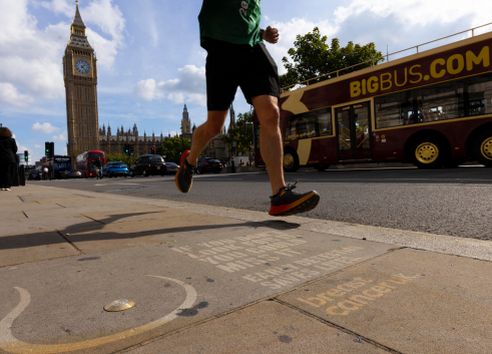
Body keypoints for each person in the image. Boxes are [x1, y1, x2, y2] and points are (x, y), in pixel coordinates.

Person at [175, 0, 320, 216]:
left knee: (271, 113)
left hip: (253, 48)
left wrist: (262, 34)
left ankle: (279, 195)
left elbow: (243, 18)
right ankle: (190, 160)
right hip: (221, 48)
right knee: (215, 125)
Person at [0, 127, 18, 191]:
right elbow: (15, 149)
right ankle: (7, 186)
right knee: (9, 173)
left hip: (1, 158)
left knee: (2, 173)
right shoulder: (12, 140)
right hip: (10, 158)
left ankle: (2, 186)